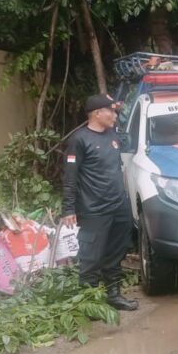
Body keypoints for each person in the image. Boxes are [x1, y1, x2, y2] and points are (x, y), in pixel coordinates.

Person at [61, 94, 139, 311]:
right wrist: (68, 208)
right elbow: (70, 177)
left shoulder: (112, 135)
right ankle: (90, 303)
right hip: (94, 209)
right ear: (97, 113)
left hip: (118, 206)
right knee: (91, 257)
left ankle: (114, 295)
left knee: (116, 252)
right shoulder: (79, 140)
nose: (114, 115)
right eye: (110, 111)